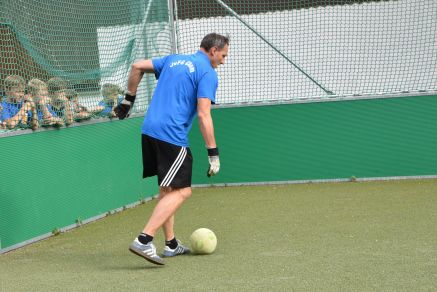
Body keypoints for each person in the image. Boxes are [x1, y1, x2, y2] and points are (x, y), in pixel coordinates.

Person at [115, 33, 229, 265]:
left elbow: (137, 66)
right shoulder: (207, 72)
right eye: (223, 55)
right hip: (171, 134)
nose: (223, 61)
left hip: (149, 129)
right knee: (183, 191)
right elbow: (204, 114)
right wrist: (213, 153)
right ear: (213, 50)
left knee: (168, 189)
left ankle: (171, 244)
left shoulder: (173, 59)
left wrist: (128, 101)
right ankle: (144, 240)